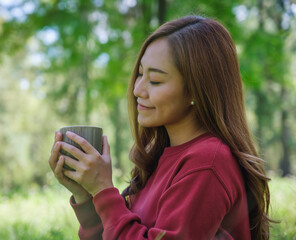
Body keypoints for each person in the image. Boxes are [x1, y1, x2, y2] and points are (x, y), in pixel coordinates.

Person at [48, 15, 271, 240]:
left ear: (196, 90)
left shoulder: (207, 162)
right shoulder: (159, 160)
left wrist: (103, 190)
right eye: (140, 74)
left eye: (155, 80)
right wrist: (86, 195)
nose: (137, 89)